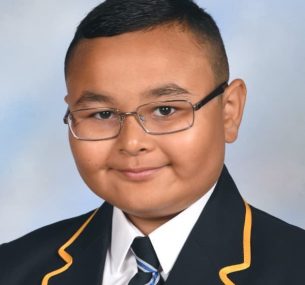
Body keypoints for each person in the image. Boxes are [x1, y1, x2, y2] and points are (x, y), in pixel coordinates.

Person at [1, 0, 304, 284]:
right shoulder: (13, 267)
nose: (132, 143)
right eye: (102, 113)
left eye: (165, 110)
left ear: (229, 112)